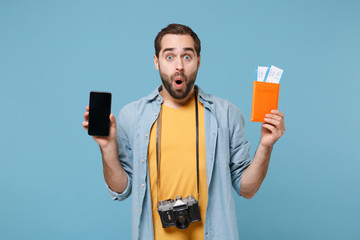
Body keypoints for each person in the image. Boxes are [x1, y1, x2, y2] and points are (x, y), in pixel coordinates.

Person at [82, 23, 285, 240]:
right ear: (156, 61)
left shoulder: (227, 114)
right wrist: (107, 149)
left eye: (187, 57)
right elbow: (121, 190)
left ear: (199, 60)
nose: (179, 66)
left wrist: (266, 145)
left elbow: (248, 189)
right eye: (169, 57)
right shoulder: (132, 116)